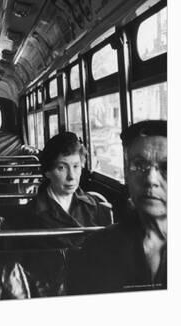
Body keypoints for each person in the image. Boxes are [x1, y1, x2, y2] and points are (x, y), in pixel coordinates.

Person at [69, 120, 167, 294]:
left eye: (167, 168)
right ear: (127, 174)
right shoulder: (96, 249)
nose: (151, 180)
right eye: (139, 165)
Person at [17, 132, 111, 247]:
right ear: (48, 172)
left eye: (76, 166)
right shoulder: (28, 216)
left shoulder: (94, 207)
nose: (71, 177)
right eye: (61, 168)